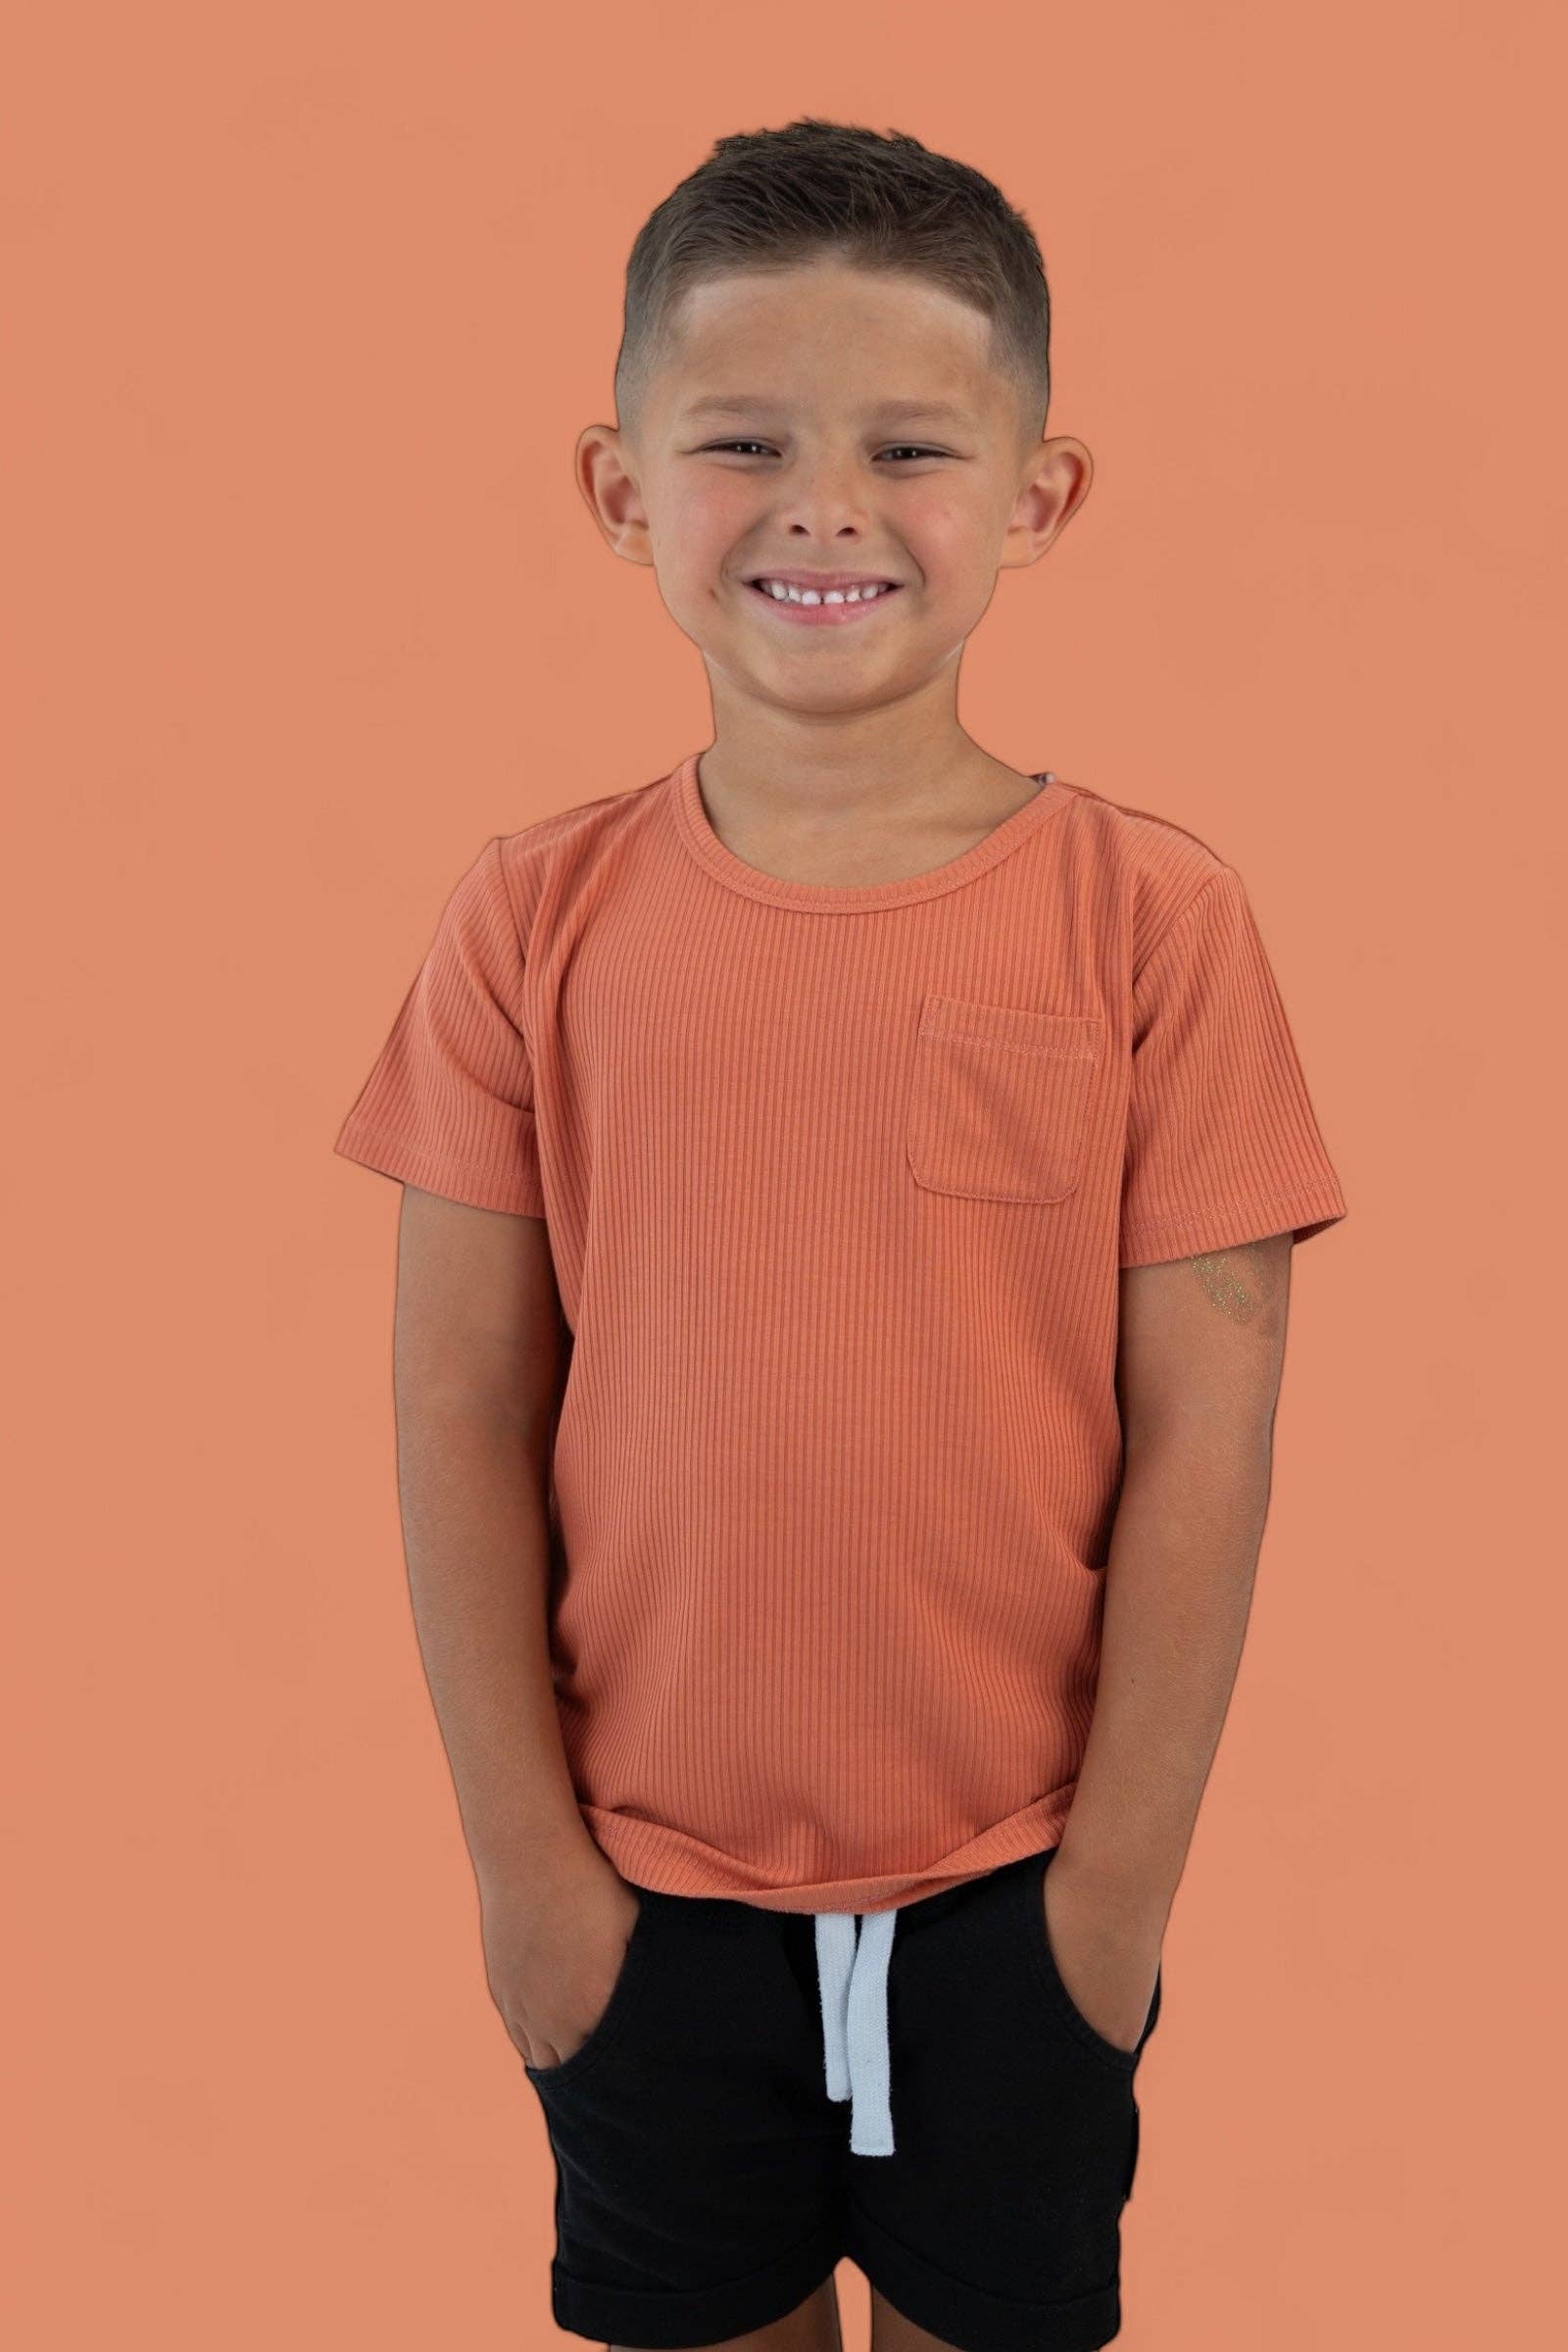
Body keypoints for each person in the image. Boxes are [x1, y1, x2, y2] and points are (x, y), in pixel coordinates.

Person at [333, 115, 1348, 2352]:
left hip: (1023, 1891)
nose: (822, 507)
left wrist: (1108, 1908)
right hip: (637, 1895)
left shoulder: (1153, 923)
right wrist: (527, 1881)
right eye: (741, 442)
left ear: (1035, 497)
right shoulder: (528, 919)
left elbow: (1210, 1432)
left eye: (906, 446)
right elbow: (461, 1402)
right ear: (618, 490)